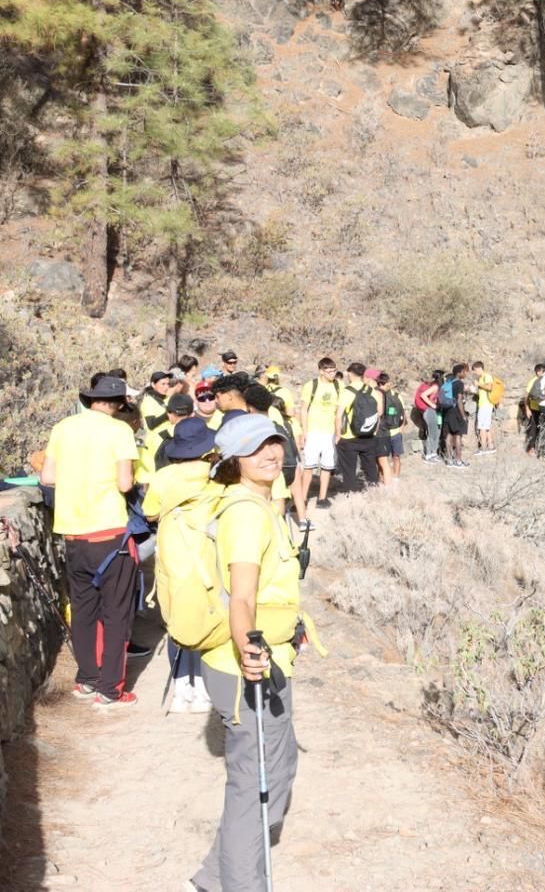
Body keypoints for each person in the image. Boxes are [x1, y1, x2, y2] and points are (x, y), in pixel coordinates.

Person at [191, 415, 310, 892]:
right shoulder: (244, 511)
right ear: (234, 459)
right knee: (255, 788)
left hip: (264, 659)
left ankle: (212, 878)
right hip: (246, 666)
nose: (270, 453)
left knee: (276, 773)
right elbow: (240, 597)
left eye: (274, 442)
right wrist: (249, 651)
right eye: (256, 447)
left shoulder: (261, 505)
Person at [41, 375, 141, 707]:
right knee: (115, 613)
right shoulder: (120, 431)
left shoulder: (63, 428)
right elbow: (125, 483)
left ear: (91, 400)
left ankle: (86, 679)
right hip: (110, 533)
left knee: (83, 610)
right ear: (120, 404)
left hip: (73, 532)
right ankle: (111, 689)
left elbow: (48, 477)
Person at [141, 415, 219, 714]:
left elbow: (149, 513)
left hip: (173, 550)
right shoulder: (214, 475)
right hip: (204, 551)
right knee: (204, 616)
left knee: (174, 619)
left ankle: (180, 688)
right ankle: (202, 689)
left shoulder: (164, 476)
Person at [245, 384, 310, 528]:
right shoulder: (279, 422)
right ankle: (301, 522)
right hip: (290, 463)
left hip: (272, 473)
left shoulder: (254, 428)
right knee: (286, 502)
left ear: (249, 407)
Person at [297, 359, 341, 507]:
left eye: (334, 370)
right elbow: (303, 409)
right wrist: (304, 431)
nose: (332, 374)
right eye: (329, 371)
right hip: (313, 431)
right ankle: (302, 498)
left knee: (327, 467)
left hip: (330, 432)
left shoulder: (339, 385)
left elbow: (340, 410)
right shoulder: (311, 386)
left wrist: (339, 432)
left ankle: (321, 498)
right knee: (309, 467)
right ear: (321, 371)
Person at [335, 366, 382, 489]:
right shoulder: (372, 391)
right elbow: (378, 414)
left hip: (349, 437)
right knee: (370, 467)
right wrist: (374, 432)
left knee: (349, 469)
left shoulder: (347, 391)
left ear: (350, 374)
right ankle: (374, 492)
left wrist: (338, 435)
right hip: (369, 436)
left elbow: (339, 416)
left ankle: (351, 496)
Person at [376, 372, 405, 483]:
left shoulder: (397, 397)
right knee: (382, 458)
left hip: (395, 432)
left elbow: (402, 414)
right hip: (384, 432)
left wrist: (401, 430)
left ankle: (396, 477)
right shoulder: (379, 395)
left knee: (396, 456)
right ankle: (382, 478)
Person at [442, 363, 471, 466]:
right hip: (455, 412)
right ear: (459, 373)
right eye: (464, 372)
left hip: (447, 411)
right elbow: (459, 400)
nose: (465, 373)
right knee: (458, 436)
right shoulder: (459, 383)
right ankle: (458, 460)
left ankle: (449, 459)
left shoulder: (448, 383)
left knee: (448, 435)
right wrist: (463, 415)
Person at [470, 361, 497, 455]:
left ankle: (483, 448)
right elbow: (484, 391)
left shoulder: (486, 376)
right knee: (486, 426)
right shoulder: (482, 378)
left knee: (481, 427)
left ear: (478, 368)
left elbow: (489, 387)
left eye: (474, 371)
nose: (474, 373)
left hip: (485, 404)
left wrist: (478, 384)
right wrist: (475, 391)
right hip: (485, 404)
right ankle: (491, 446)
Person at [416, 370, 442, 462]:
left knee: (436, 432)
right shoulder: (435, 386)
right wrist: (433, 405)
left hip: (433, 411)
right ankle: (428, 455)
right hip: (430, 411)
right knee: (432, 433)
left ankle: (434, 453)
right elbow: (423, 395)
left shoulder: (435, 386)